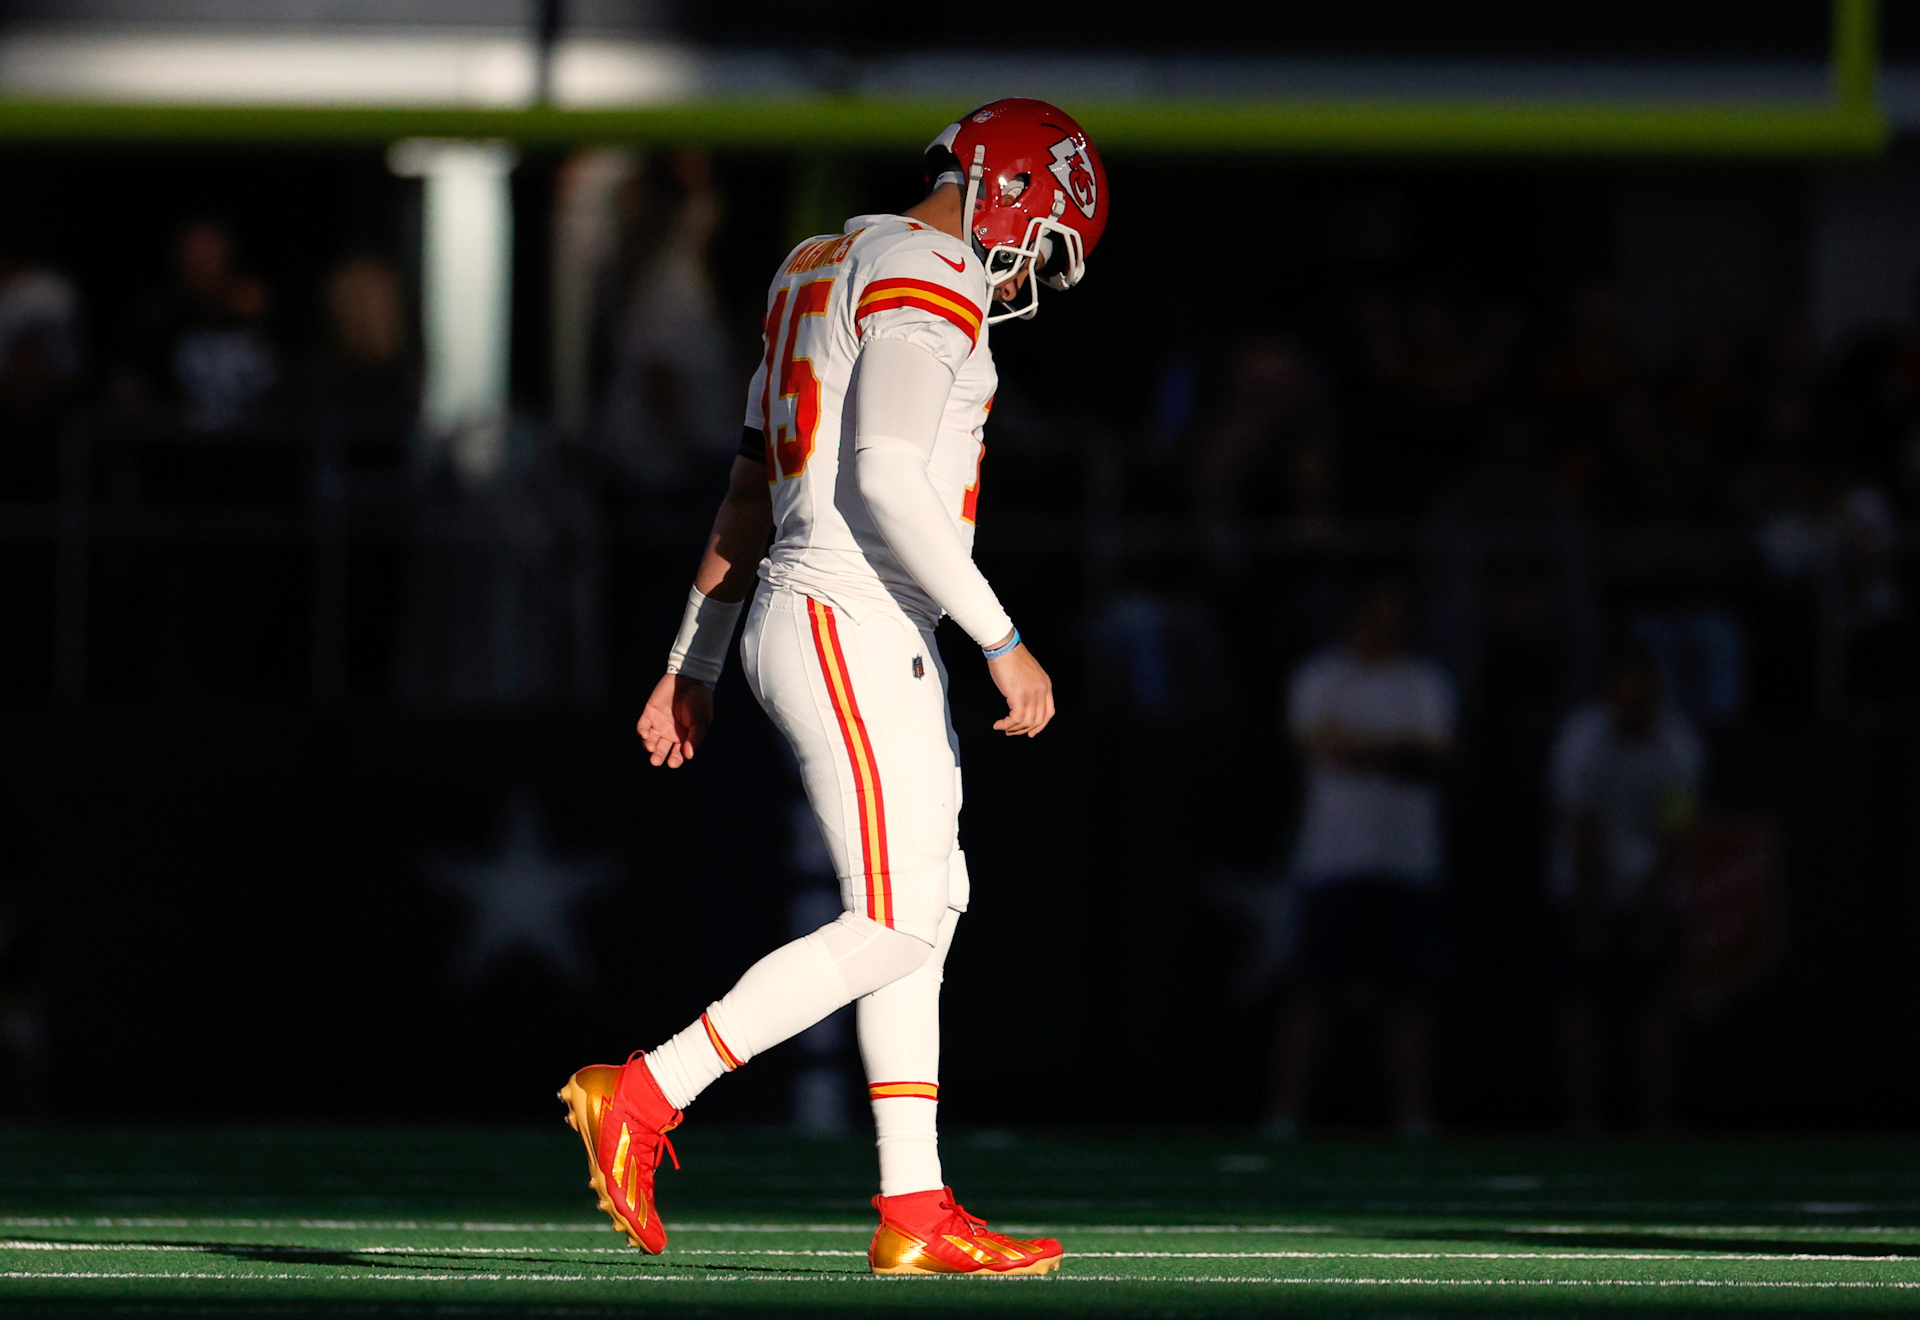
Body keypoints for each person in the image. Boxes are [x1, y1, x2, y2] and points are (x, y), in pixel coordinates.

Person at [559, 99, 1108, 1277]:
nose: (1032, 279)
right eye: (1046, 243)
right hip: (851, 613)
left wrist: (691, 661)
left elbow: (750, 485)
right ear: (1012, 189)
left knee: (930, 904)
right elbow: (889, 482)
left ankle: (915, 1204)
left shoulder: (817, 261)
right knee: (901, 915)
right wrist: (1004, 638)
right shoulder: (937, 266)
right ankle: (647, 1090)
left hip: (820, 611)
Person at [1266, 578, 1455, 1140]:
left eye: (1395, 616)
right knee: (1311, 988)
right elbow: (1321, 745)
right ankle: (1284, 1113)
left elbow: (1438, 754)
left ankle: (1413, 1115)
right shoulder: (1319, 676)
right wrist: (1398, 747)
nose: (1384, 627)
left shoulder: (1426, 681)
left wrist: (1361, 746)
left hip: (1408, 859)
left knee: (1409, 993)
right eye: (1375, 614)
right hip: (1332, 858)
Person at [1548, 641, 1703, 1133]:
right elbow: (1581, 828)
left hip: (1649, 888)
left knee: (1656, 1004)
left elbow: (1675, 835)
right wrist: (1589, 912)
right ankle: (1584, 1120)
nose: (1635, 701)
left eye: (1645, 690)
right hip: (1580, 886)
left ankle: (1655, 1120)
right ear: (1609, 693)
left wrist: (1649, 912)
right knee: (1580, 1005)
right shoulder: (1580, 739)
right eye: (1625, 691)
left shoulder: (1680, 744)